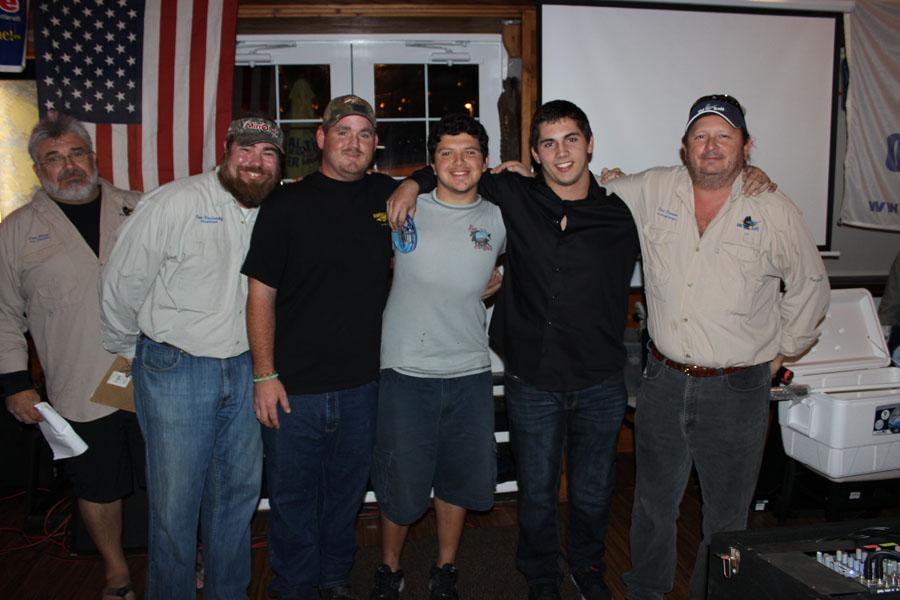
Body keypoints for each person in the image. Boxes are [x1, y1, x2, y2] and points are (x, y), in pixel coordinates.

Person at [389, 100, 639, 600]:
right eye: (549, 143)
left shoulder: (623, 208)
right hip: (533, 376)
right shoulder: (513, 193)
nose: (561, 152)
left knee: (593, 493)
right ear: (534, 153)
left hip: (600, 380)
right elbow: (455, 165)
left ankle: (588, 569)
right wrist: (412, 181)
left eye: (571, 139)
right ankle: (541, 577)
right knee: (538, 493)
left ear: (589, 144)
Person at [603, 94, 830, 600]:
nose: (711, 146)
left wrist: (781, 355)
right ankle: (646, 590)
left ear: (746, 147)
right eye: (700, 136)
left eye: (724, 137)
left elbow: (811, 285)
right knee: (652, 502)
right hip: (662, 379)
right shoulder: (652, 187)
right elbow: (588, 188)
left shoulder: (773, 208)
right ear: (683, 147)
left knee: (727, 515)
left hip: (738, 387)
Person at [99, 116, 284, 599]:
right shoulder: (175, 201)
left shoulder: (277, 208)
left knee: (236, 502)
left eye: (268, 154)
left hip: (248, 369)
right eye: (246, 149)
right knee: (175, 509)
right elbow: (122, 284)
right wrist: (132, 351)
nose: (255, 162)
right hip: (177, 369)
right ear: (225, 151)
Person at [242, 95, 397, 600]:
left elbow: (454, 185)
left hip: (363, 385)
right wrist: (264, 375)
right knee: (290, 500)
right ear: (322, 138)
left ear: (375, 145)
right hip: (294, 390)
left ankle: (333, 581)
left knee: (345, 498)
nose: (354, 143)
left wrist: (415, 181)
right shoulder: (285, 203)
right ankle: (293, 587)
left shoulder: (389, 196)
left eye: (365, 134)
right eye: (344, 132)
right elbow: (260, 294)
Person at [0, 113, 142, 600]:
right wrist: (16, 382)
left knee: (172, 477)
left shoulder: (139, 208)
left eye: (76, 154)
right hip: (80, 382)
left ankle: (187, 553)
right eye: (54, 159)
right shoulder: (16, 232)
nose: (69, 166)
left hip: (157, 376)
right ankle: (116, 570)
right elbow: (3, 312)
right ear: (38, 170)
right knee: (97, 484)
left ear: (93, 157)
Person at [369, 114, 506, 600]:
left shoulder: (497, 216)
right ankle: (389, 568)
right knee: (400, 481)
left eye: (470, 151)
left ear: (485, 161)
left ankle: (445, 568)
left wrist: (497, 287)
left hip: (470, 370)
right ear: (433, 161)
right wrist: (409, 182)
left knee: (458, 477)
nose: (459, 162)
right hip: (406, 369)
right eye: (446, 152)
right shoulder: (403, 207)